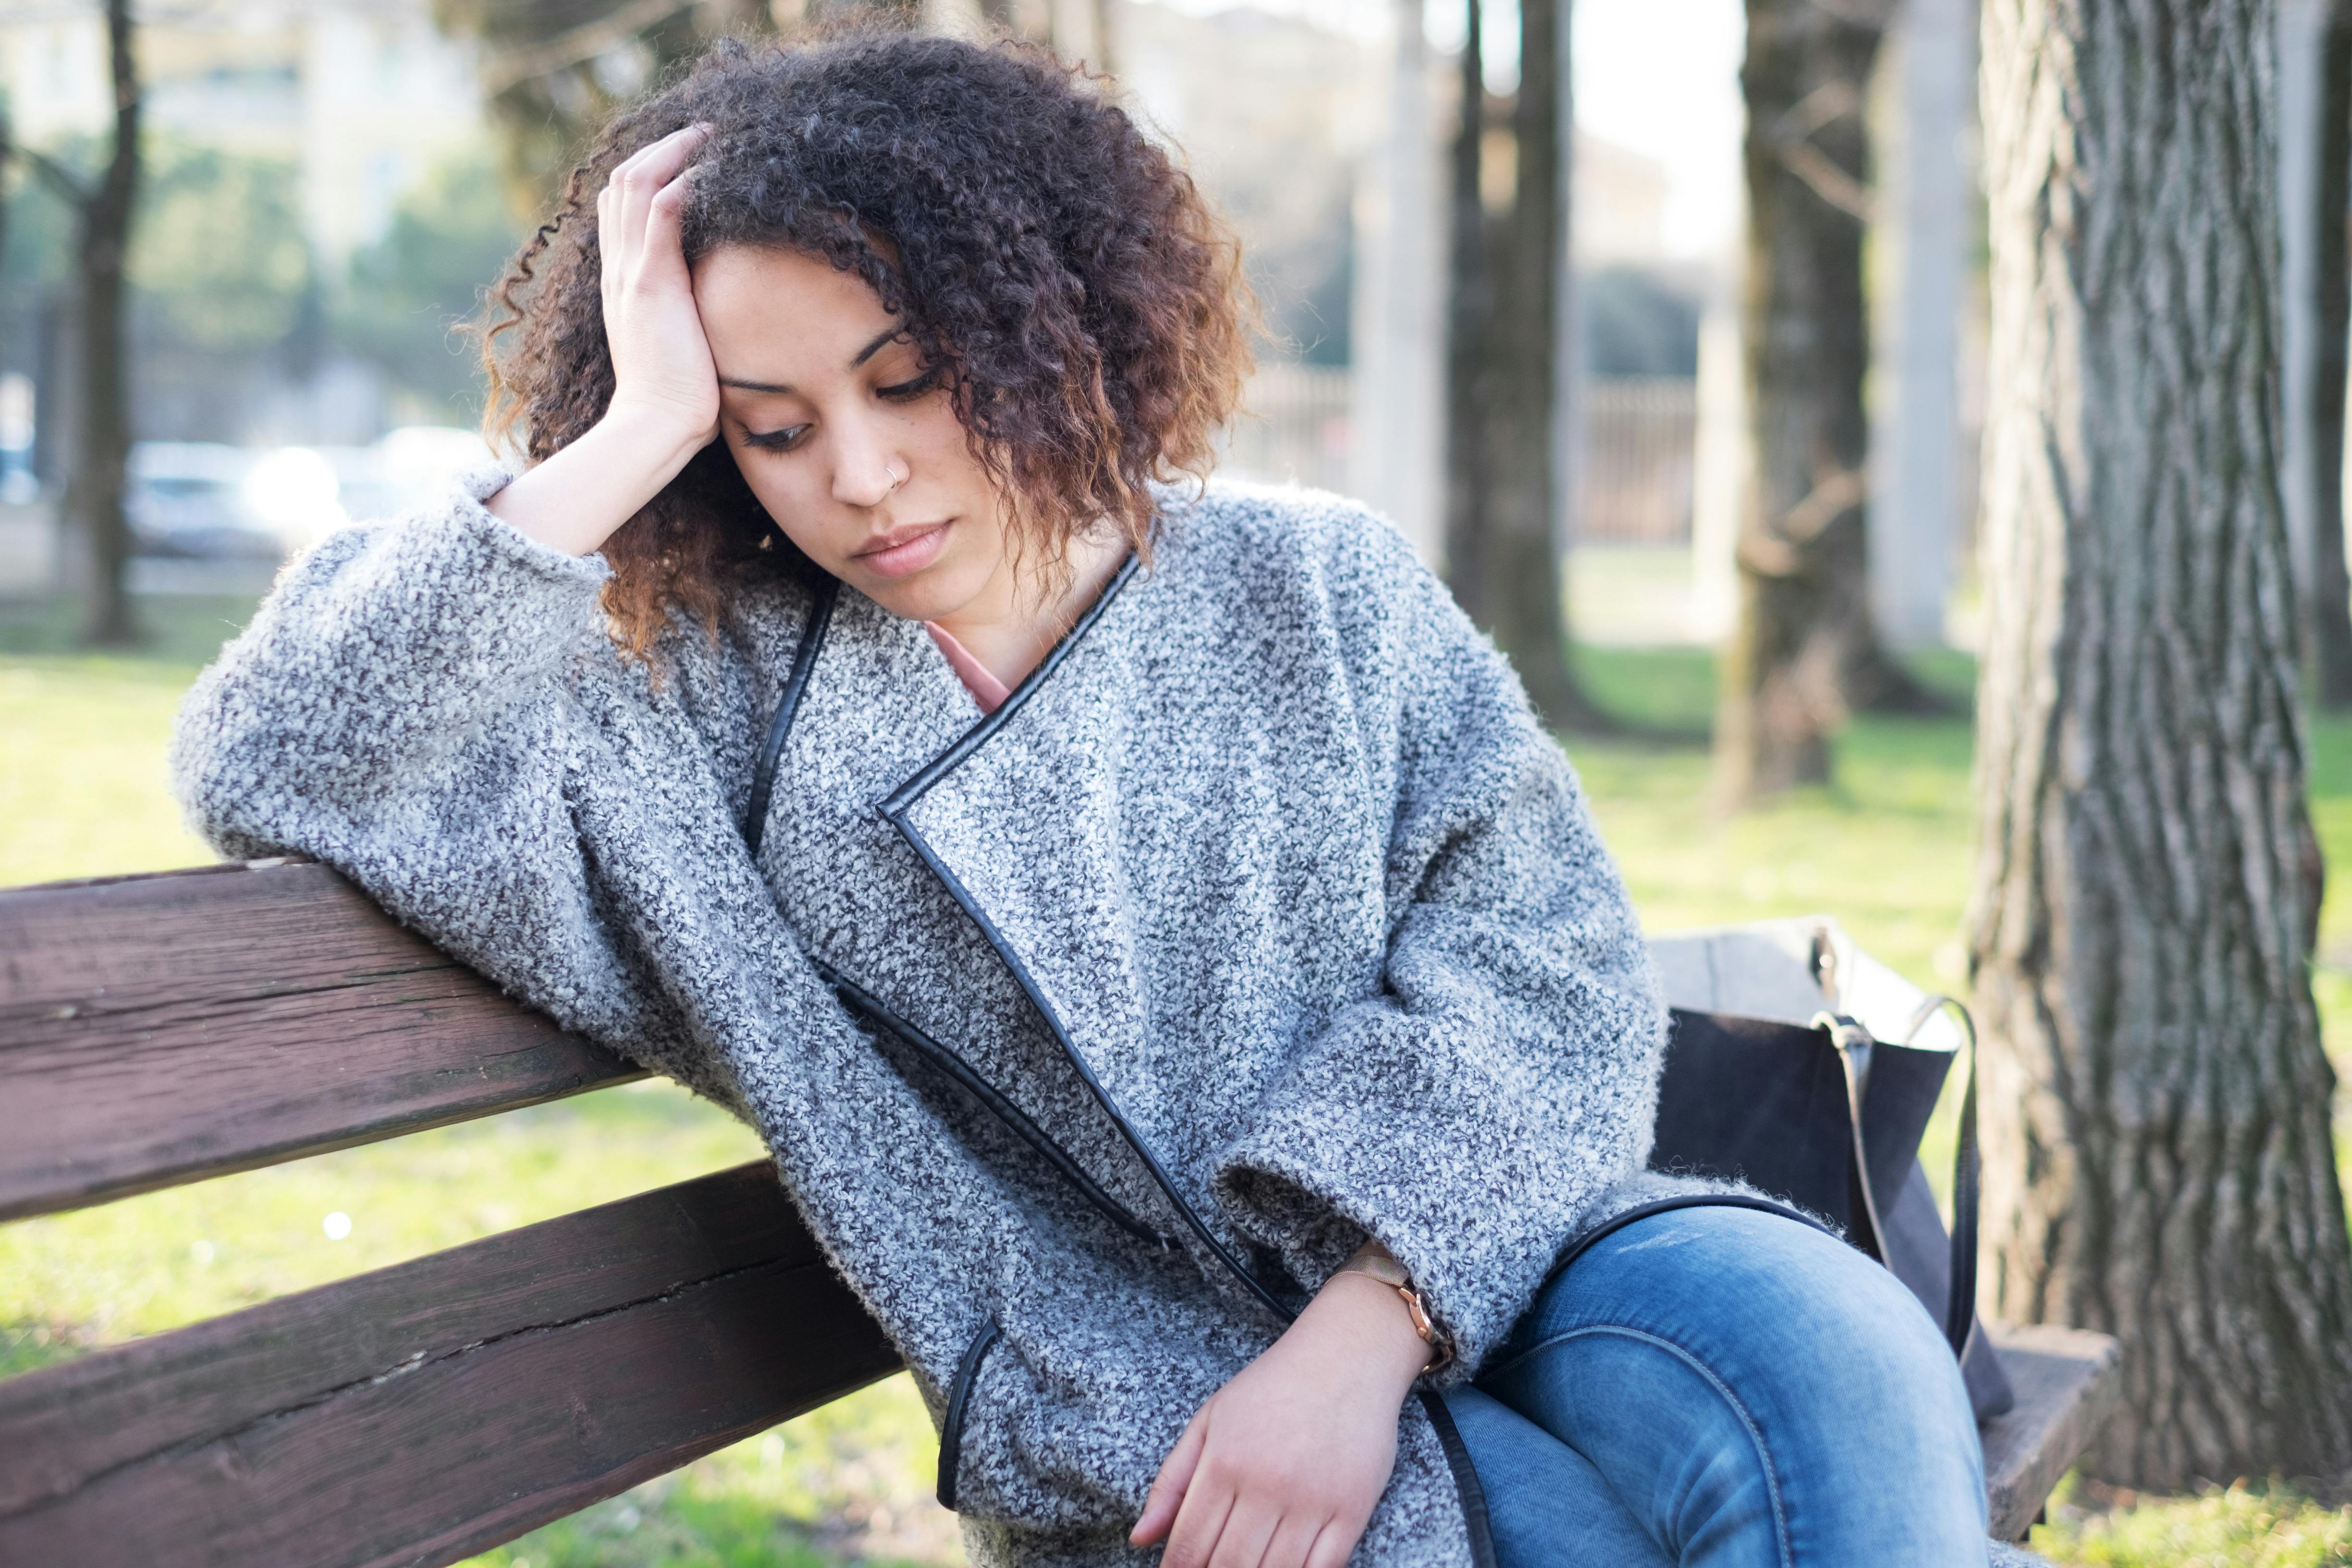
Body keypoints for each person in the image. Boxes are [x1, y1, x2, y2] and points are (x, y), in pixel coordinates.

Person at [171, 28, 2000, 1568]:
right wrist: (632, 432)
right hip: (1153, 1404)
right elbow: (276, 754)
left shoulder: (1316, 587)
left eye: (913, 379)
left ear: (1054, 327)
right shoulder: (694, 718)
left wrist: (1367, 1333)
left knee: (1838, 1363)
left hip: (1498, 1253)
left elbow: (1541, 961)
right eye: (774, 423)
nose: (864, 476)